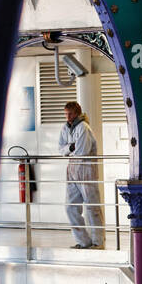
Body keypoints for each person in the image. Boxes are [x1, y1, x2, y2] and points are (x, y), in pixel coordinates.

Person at [58, 101, 103, 249]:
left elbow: (82, 150)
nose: (67, 117)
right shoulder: (65, 128)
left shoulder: (84, 127)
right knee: (70, 207)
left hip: (86, 169)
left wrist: (69, 150)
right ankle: (83, 241)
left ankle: (98, 242)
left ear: (77, 113)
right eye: (65, 114)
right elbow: (60, 149)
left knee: (92, 207)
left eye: (70, 114)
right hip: (72, 169)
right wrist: (71, 147)